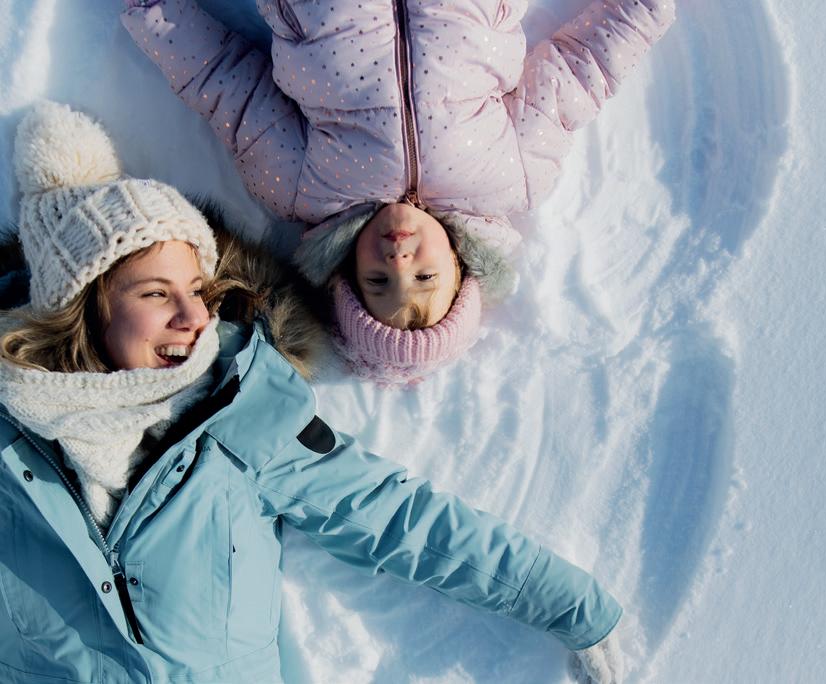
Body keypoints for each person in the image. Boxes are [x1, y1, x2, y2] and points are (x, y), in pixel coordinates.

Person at [0, 101, 625, 682]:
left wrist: (572, 605)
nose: (194, 318)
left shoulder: (244, 411)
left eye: (198, 291)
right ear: (82, 307)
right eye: (156, 293)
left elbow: (397, 519)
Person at [120, 0, 677, 385]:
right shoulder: (511, 179)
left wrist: (155, 13)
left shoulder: (302, 188)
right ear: (460, 265)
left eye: (379, 282)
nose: (399, 261)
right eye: (425, 277)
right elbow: (577, 75)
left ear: (346, 273)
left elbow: (227, 85)